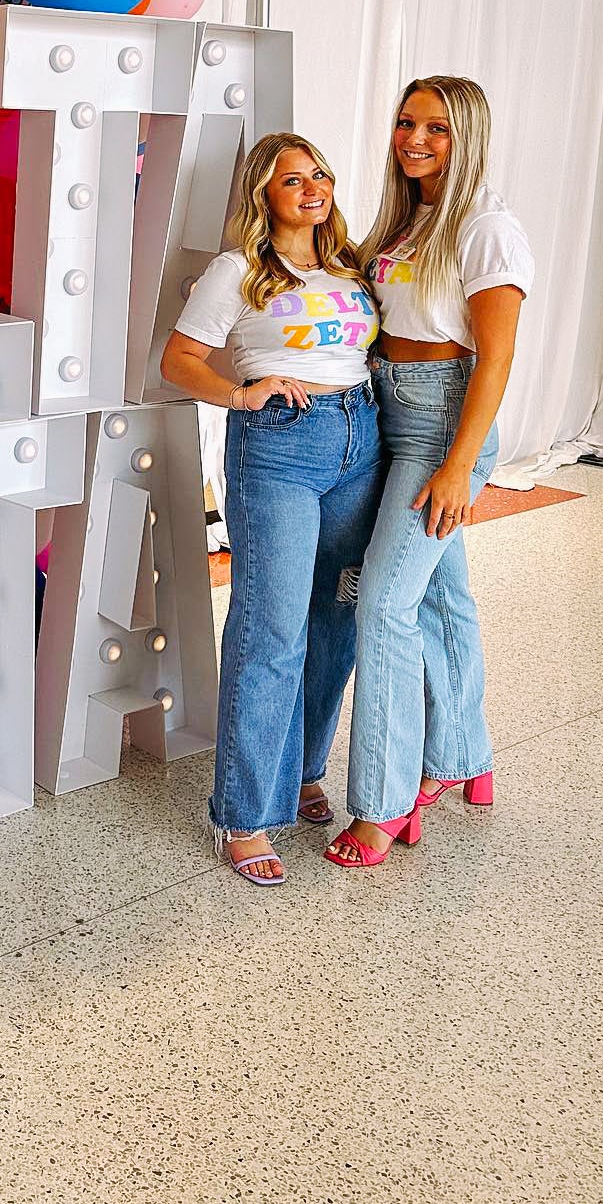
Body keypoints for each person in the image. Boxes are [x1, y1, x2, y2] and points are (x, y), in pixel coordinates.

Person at [161, 133, 382, 886]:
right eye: (293, 179)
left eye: (320, 174)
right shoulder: (239, 270)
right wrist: (240, 393)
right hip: (282, 444)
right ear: (265, 193)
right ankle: (245, 813)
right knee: (272, 630)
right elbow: (179, 359)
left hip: (360, 439)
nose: (313, 188)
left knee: (336, 619)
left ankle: (303, 770)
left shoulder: (350, 266)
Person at [326, 76, 533, 869]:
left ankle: (382, 806)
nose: (414, 139)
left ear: (467, 136)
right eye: (407, 122)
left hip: (441, 426)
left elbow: (496, 359)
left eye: (436, 129)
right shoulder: (410, 218)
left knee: (382, 605)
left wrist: (457, 468)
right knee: (442, 597)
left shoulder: (487, 228)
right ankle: (462, 756)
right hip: (388, 411)